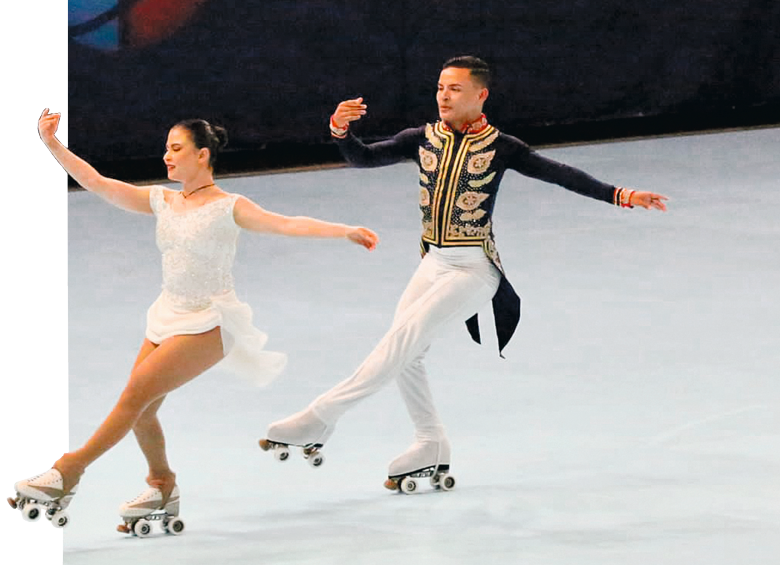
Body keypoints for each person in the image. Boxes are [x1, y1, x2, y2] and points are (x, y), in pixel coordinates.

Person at [262, 56, 669, 491]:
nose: (443, 95)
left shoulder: (502, 146)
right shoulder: (421, 138)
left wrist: (621, 195)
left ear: (481, 95)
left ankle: (320, 417)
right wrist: (341, 131)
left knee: (399, 342)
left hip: (473, 269)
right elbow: (362, 159)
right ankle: (430, 443)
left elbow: (561, 175)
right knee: (406, 353)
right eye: (440, 87)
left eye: (454, 88)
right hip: (433, 262)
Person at [9, 109, 379, 531]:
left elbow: (287, 224)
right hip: (166, 314)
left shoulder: (229, 207)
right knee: (143, 412)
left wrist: (343, 229)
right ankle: (162, 484)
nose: (167, 156)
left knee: (133, 396)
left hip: (209, 323)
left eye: (176, 149)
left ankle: (68, 471)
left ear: (202, 155)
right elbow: (98, 183)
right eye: (166, 148)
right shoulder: (162, 200)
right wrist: (52, 144)